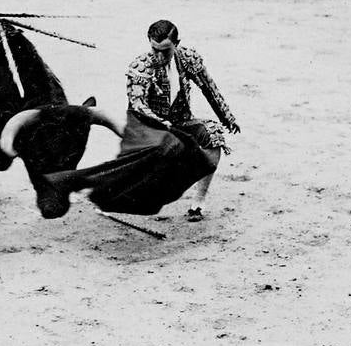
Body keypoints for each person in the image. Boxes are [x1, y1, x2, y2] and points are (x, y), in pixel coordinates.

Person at [43, 19, 241, 221]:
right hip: (146, 127)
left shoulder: (188, 59)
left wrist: (227, 117)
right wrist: (161, 124)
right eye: (154, 49)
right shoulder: (141, 67)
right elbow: (138, 105)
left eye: (165, 50)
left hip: (180, 120)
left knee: (213, 136)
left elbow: (209, 87)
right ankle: (75, 183)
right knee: (157, 156)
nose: (159, 56)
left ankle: (198, 202)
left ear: (177, 43)